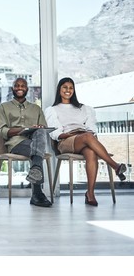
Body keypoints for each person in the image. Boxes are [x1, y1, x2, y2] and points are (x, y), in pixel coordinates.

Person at [45, 77, 127, 206]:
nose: (68, 90)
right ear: (59, 89)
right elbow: (54, 131)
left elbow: (91, 128)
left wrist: (87, 135)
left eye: (71, 88)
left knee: (90, 151)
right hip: (66, 140)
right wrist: (64, 134)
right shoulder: (52, 109)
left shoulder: (84, 108)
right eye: (65, 87)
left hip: (84, 138)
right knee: (88, 137)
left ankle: (90, 193)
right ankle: (115, 166)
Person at [0, 77, 52, 207]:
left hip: (35, 141)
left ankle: (35, 173)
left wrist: (37, 128)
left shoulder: (36, 109)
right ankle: (37, 194)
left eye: (23, 86)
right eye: (17, 85)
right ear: (12, 88)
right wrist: (21, 130)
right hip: (15, 143)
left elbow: (44, 128)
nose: (20, 88)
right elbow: (3, 130)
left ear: (27, 89)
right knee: (38, 153)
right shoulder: (3, 107)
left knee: (39, 134)